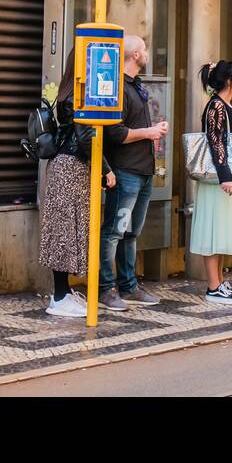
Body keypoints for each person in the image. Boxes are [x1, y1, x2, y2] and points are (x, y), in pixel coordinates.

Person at [39, 49, 116, 318]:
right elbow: (85, 138)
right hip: (70, 168)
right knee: (64, 232)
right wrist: (105, 170)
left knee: (66, 231)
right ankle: (59, 298)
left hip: (69, 167)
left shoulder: (69, 90)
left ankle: (64, 293)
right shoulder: (78, 95)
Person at [98, 35, 169, 311]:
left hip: (143, 170)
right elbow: (113, 132)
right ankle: (106, 289)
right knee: (114, 231)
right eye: (145, 49)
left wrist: (150, 133)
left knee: (130, 232)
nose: (148, 53)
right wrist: (148, 133)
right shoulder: (118, 88)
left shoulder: (136, 86)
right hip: (125, 171)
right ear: (136, 55)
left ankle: (128, 285)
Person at [191, 60, 232, 306]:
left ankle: (220, 281)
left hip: (230, 177)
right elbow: (215, 142)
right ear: (229, 81)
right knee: (214, 231)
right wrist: (225, 176)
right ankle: (213, 286)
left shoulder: (229, 105)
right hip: (218, 179)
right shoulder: (216, 106)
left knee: (223, 231)